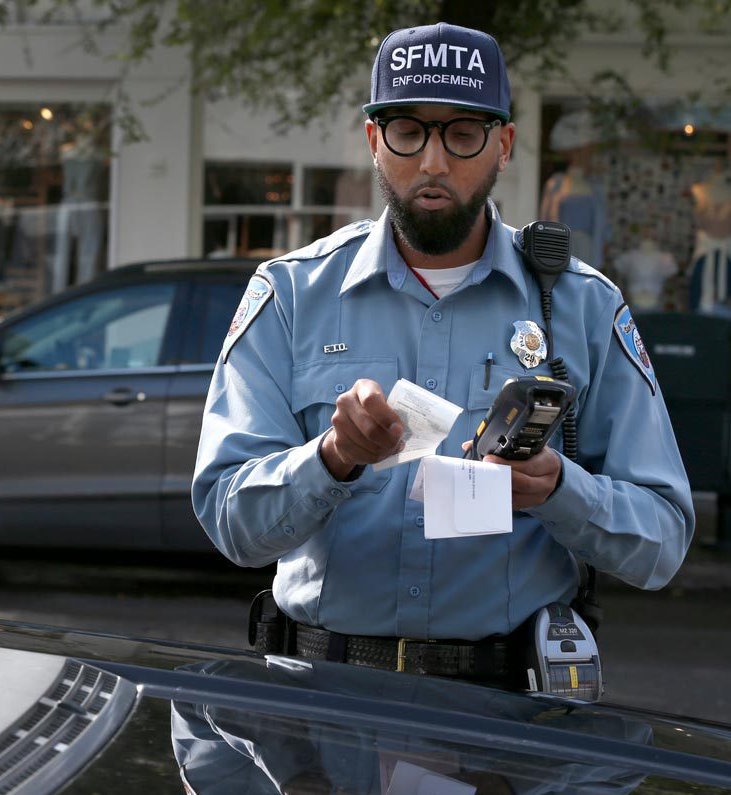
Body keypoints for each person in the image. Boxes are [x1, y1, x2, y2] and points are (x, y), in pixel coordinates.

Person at [191, 22, 693, 689]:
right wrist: (331, 458)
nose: (433, 162)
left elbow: (661, 542)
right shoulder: (290, 295)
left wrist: (558, 490)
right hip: (320, 709)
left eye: (462, 134)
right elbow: (231, 522)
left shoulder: (583, 307)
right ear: (374, 139)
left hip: (507, 722)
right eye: (407, 131)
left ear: (504, 144)